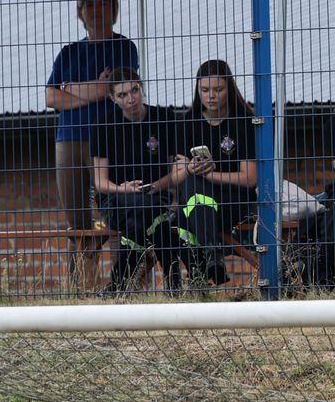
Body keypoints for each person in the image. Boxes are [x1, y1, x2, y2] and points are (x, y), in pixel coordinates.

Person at [44, 0, 139, 289]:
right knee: (77, 218)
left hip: (112, 138)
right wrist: (96, 89)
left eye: (104, 4)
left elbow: (119, 89)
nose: (97, 10)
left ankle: (125, 285)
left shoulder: (124, 48)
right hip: (70, 137)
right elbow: (51, 97)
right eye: (91, 5)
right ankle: (82, 287)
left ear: (114, 9)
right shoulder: (69, 52)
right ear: (81, 12)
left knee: (120, 211)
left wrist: (72, 88)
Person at [88, 71, 187, 293]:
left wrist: (154, 186)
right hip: (116, 199)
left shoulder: (164, 117)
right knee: (155, 219)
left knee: (138, 221)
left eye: (134, 90)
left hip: (156, 195)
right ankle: (173, 282)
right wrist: (121, 189)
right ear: (112, 98)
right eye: (122, 95)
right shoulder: (103, 125)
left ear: (141, 87)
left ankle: (118, 286)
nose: (130, 99)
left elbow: (178, 172)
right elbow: (100, 183)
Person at [176, 59, 261, 286]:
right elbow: (175, 174)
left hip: (233, 201)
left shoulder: (244, 122)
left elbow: (249, 178)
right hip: (197, 202)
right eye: (204, 90)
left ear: (229, 89)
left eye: (218, 89)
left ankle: (201, 270)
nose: (211, 96)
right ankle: (212, 258)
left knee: (188, 207)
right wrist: (189, 169)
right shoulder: (187, 122)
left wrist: (208, 174)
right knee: (192, 189)